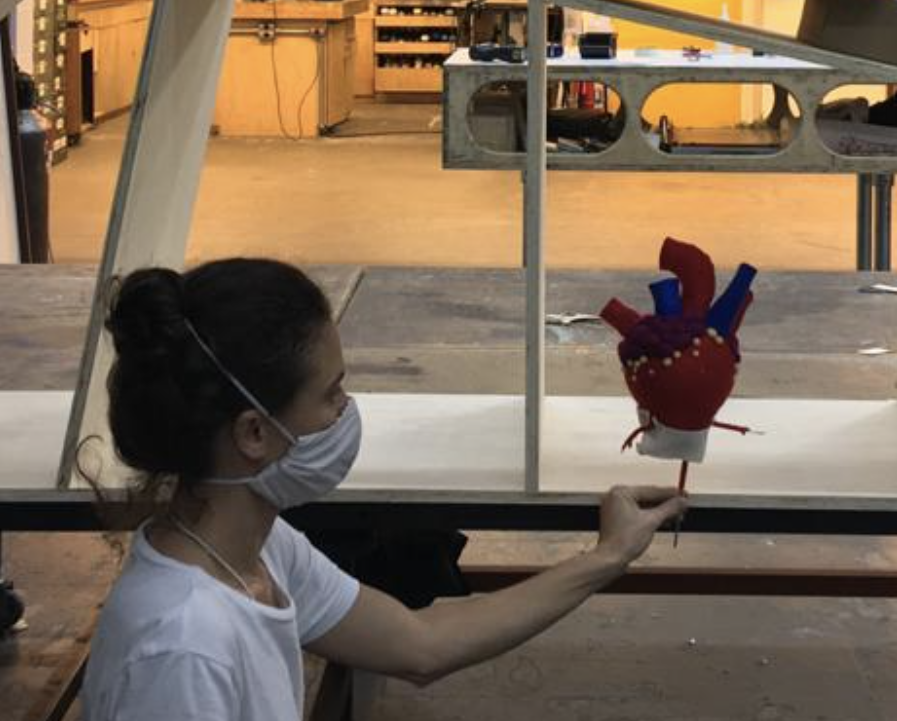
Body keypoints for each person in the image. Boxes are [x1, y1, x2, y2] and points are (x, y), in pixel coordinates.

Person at [80, 257, 688, 719]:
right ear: (254, 433)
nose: (346, 411)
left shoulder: (256, 549)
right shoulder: (181, 648)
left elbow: (421, 644)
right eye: (331, 394)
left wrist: (608, 556)